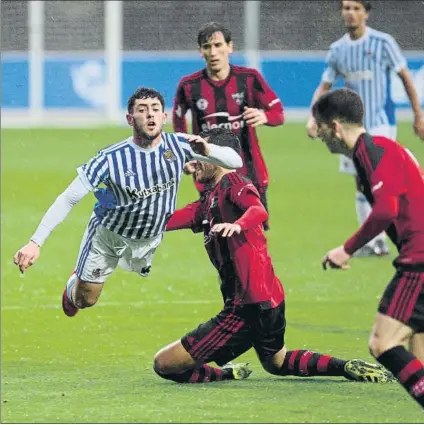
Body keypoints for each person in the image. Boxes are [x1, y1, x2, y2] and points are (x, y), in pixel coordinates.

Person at [152, 127, 395, 385]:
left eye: (202, 153)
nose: (196, 160)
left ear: (219, 157)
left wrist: (239, 224)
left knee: (164, 364)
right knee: (277, 363)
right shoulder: (207, 200)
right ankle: (346, 367)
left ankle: (223, 373)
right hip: (270, 299)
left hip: (246, 308)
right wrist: (128, 217)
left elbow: (258, 210)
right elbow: (163, 221)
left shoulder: (234, 183)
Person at [13, 87, 242, 318]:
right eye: (142, 110)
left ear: (164, 117)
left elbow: (236, 162)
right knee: (85, 300)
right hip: (109, 235)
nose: (150, 115)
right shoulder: (110, 159)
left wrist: (208, 149)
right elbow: (68, 198)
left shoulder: (180, 145)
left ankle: (86, 275)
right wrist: (35, 242)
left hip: (149, 238)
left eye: (155, 109)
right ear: (130, 119)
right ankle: (76, 282)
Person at [314, 88, 424, 408]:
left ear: (335, 127)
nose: (318, 135)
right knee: (417, 360)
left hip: (418, 259)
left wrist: (346, 249)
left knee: (383, 343)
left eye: (320, 127)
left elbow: (386, 210)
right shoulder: (379, 149)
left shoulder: (370, 152)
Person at [306, 0, 424, 257]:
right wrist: (312, 117)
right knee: (361, 184)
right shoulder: (338, 49)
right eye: (346, 8)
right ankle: (375, 242)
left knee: (380, 184)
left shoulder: (383, 43)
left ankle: (399, 236)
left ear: (366, 13)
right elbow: (324, 86)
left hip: (381, 124)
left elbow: (406, 77)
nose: (350, 13)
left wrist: (418, 115)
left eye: (356, 8)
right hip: (349, 129)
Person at [173, 22, 284, 230]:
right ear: (200, 51)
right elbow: (179, 123)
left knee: (253, 233)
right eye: (207, 47)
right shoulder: (189, 86)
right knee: (218, 235)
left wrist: (264, 116)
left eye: (218, 45)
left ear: (230, 47)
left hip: (250, 171)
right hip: (211, 174)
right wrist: (184, 156)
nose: (213, 52)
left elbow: (278, 114)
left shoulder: (249, 79)